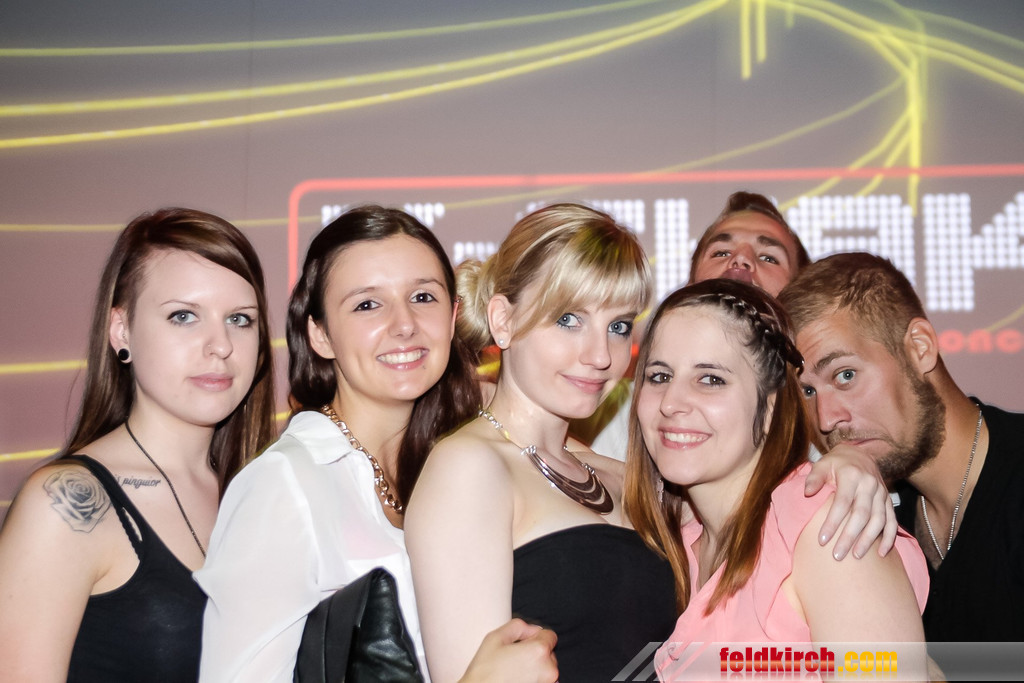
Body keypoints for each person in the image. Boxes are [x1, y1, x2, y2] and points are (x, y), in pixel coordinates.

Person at [404, 204, 892, 682]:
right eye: (569, 319)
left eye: (618, 326)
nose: (600, 355)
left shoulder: (626, 476)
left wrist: (850, 460)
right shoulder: (468, 468)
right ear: (503, 320)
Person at [196, 206, 558, 683]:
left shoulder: (459, 465)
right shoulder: (284, 486)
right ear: (320, 334)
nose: (405, 324)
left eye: (423, 297)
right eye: (368, 305)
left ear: (453, 317)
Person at [0, 208, 277, 681]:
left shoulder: (260, 491)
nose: (221, 345)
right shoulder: (63, 504)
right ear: (121, 330)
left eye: (239, 319)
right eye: (183, 316)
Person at [622, 279, 928, 680]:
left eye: (710, 379)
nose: (671, 403)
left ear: (769, 408)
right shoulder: (679, 540)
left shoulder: (826, 526)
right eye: (659, 376)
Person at [779, 252, 1024, 641]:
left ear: (920, 348)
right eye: (807, 391)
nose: (825, 419)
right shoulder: (880, 516)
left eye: (845, 375)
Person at [589, 190, 809, 458]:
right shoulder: (625, 411)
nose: (740, 259)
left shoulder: (820, 418)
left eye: (768, 257)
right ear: (690, 285)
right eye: (721, 252)